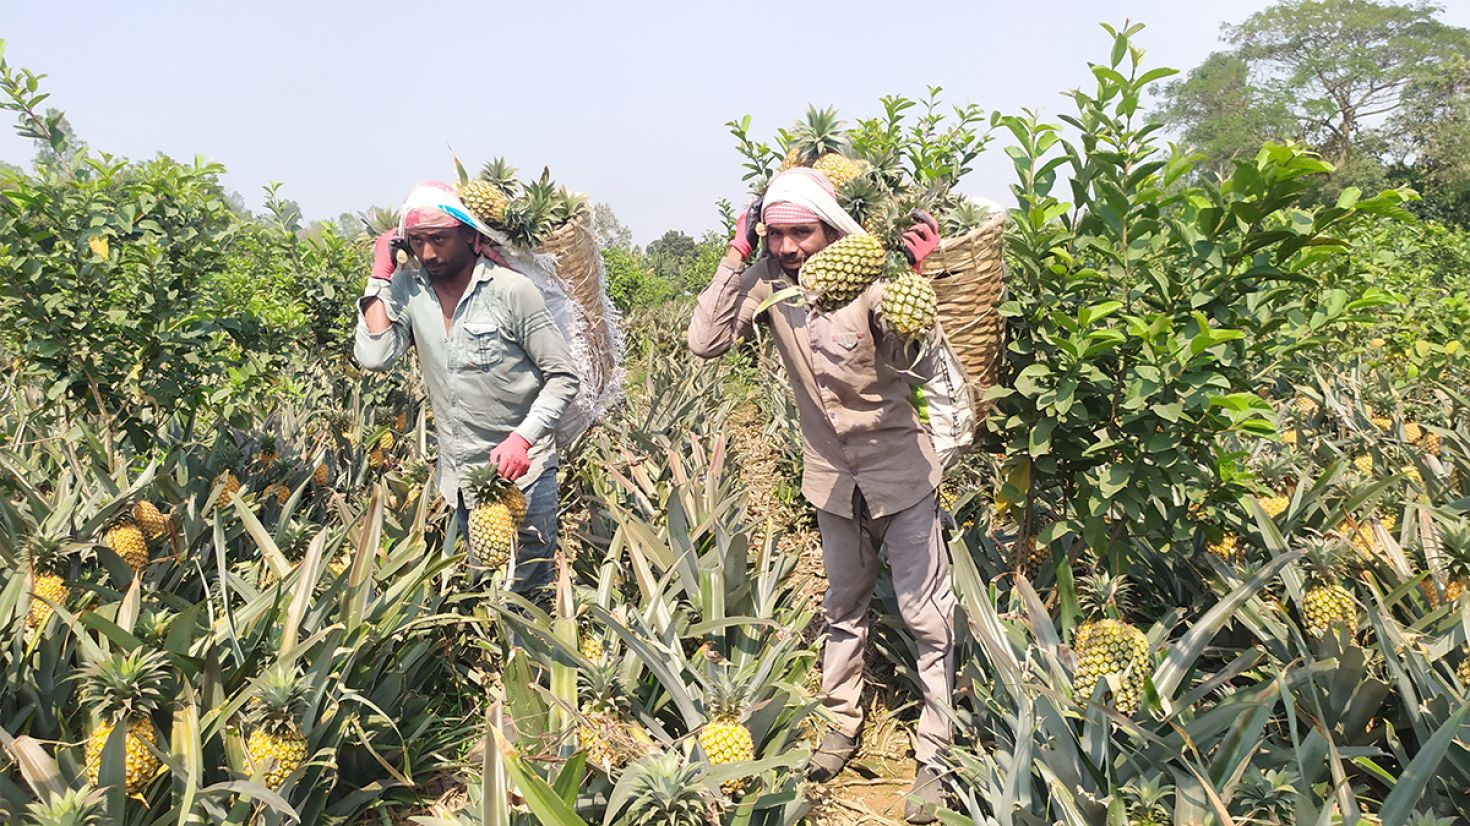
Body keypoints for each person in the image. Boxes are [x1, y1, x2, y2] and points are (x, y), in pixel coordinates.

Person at [686, 168, 954, 823]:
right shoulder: (768, 288)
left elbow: (920, 366)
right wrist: (734, 256)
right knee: (843, 607)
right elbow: (705, 342)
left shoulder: (877, 287)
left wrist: (921, 292)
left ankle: (934, 756)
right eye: (774, 233)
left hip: (901, 475)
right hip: (831, 479)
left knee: (928, 619)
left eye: (799, 232)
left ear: (830, 229)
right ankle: (841, 725)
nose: (787, 246)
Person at [355, 182, 579, 609]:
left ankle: (531, 673)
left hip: (524, 475)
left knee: (529, 595)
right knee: (484, 590)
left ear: (470, 235)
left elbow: (563, 376)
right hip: (461, 480)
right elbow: (375, 355)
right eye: (417, 242)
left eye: (439, 239)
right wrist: (380, 272)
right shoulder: (407, 289)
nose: (429, 253)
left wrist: (523, 437)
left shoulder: (511, 291)